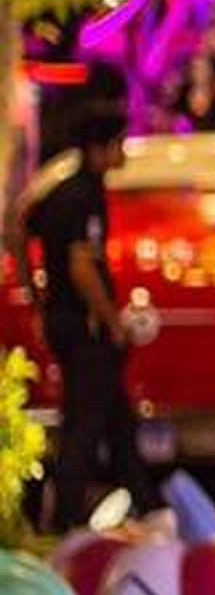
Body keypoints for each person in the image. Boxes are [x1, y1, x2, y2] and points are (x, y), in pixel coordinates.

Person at [25, 105, 151, 530]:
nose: (123, 153)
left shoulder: (58, 192)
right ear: (99, 149)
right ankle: (65, 523)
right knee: (84, 425)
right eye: (118, 144)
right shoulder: (84, 196)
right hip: (84, 329)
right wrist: (111, 321)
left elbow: (18, 229)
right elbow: (82, 267)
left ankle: (147, 507)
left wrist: (38, 297)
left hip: (64, 320)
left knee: (118, 424)